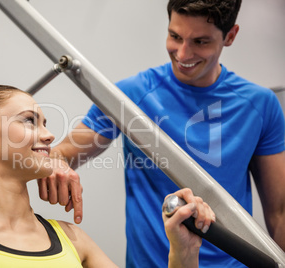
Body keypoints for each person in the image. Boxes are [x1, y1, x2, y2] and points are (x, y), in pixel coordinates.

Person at [38, 0, 285, 267]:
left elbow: (279, 213)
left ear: (231, 36)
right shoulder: (130, 96)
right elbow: (64, 153)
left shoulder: (260, 105)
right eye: (175, 36)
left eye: (200, 42)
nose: (183, 53)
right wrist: (56, 162)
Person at [0, 85, 215, 267]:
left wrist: (183, 254)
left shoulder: (72, 239)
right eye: (29, 121)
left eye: (45, 123)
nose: (47, 136)